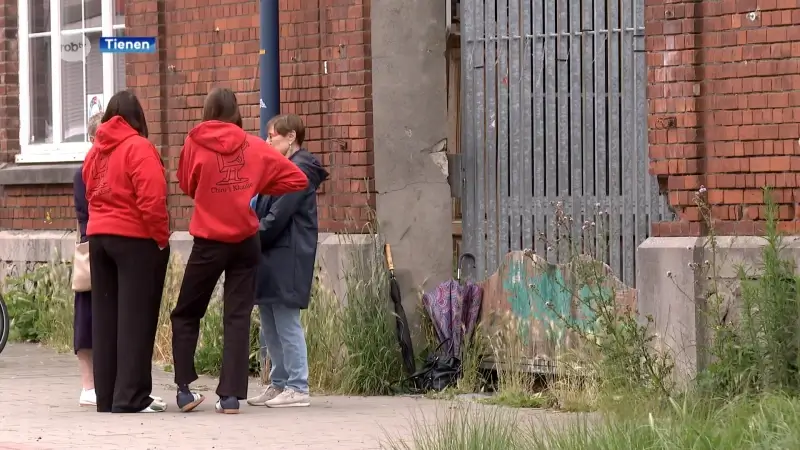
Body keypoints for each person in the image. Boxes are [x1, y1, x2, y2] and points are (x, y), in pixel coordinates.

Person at [170, 88, 309, 414]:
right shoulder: (253, 145)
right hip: (245, 240)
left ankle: (184, 390)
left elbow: (185, 183)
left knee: (187, 312)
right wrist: (254, 184)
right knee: (237, 316)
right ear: (235, 112)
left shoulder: (194, 141)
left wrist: (211, 190)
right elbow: (296, 178)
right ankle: (230, 397)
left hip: (208, 239)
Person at [82, 90, 171, 413]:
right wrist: (161, 238)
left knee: (106, 321)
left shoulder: (96, 152)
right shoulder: (139, 147)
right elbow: (152, 198)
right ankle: (131, 396)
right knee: (136, 320)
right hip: (134, 239)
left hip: (99, 239)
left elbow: (89, 188)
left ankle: (107, 396)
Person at [246, 114, 329, 408]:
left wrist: (251, 235)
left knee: (286, 319)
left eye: (273, 136)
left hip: (288, 253)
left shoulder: (300, 171)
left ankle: (298, 385)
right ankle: (279, 382)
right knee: (269, 319)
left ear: (291, 136)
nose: (268, 141)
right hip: (271, 253)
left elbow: (279, 214)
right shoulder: (280, 169)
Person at [73, 112, 103, 407]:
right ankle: (88, 385)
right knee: (86, 314)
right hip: (92, 249)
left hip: (111, 249)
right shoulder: (84, 170)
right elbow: (86, 213)